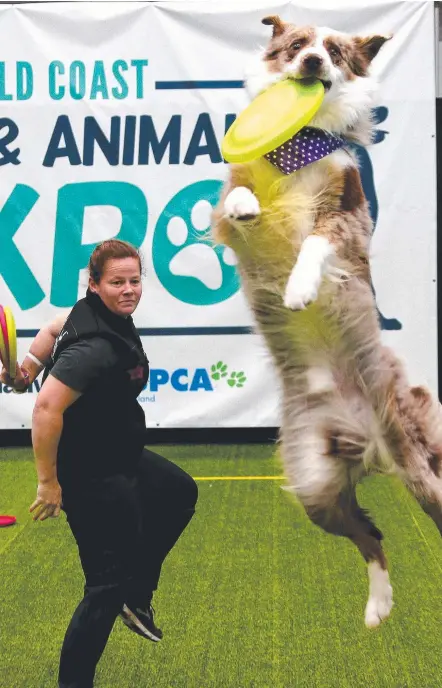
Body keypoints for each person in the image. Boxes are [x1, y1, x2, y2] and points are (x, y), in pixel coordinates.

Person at [1, 239, 198, 688]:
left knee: (178, 493)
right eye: (116, 282)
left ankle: (137, 595)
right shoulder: (95, 349)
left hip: (119, 452)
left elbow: (52, 329)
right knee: (104, 586)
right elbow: (45, 410)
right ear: (94, 283)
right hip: (89, 474)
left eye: (134, 280)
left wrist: (27, 367)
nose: (128, 290)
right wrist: (48, 482)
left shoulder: (90, 311)